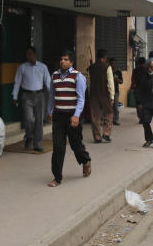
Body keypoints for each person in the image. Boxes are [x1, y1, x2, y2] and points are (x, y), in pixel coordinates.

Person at [47, 50, 92, 186]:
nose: (63, 61)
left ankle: (86, 161)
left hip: (72, 116)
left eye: (66, 59)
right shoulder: (54, 75)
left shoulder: (78, 77)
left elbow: (81, 99)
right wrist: (49, 111)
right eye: (61, 59)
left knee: (76, 145)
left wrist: (76, 115)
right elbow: (51, 95)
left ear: (71, 62)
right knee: (58, 147)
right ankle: (57, 177)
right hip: (58, 116)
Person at [12, 45, 52, 151]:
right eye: (27, 54)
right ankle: (29, 136)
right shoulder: (22, 67)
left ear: (34, 54)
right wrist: (15, 96)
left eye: (30, 53)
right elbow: (17, 82)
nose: (28, 56)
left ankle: (37, 143)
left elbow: (48, 82)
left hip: (39, 95)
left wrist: (53, 95)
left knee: (39, 120)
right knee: (28, 118)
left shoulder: (43, 67)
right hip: (26, 96)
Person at [87, 49, 115, 143]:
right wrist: (112, 96)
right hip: (105, 94)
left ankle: (97, 137)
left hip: (94, 95)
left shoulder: (91, 67)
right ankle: (106, 134)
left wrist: (89, 94)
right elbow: (110, 83)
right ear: (105, 57)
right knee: (109, 113)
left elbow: (89, 82)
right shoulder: (107, 67)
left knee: (95, 116)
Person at [130, 56, 147, 122]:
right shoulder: (147, 69)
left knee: (138, 103)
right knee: (144, 103)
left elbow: (133, 79)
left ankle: (140, 117)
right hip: (145, 89)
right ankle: (144, 117)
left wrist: (132, 87)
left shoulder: (135, 69)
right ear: (144, 62)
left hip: (137, 89)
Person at [110, 57, 124, 125]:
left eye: (114, 63)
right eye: (111, 63)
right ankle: (108, 120)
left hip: (115, 91)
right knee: (108, 106)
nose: (113, 65)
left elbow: (121, 82)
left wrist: (116, 79)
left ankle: (115, 120)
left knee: (115, 106)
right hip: (107, 91)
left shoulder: (118, 71)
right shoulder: (107, 71)